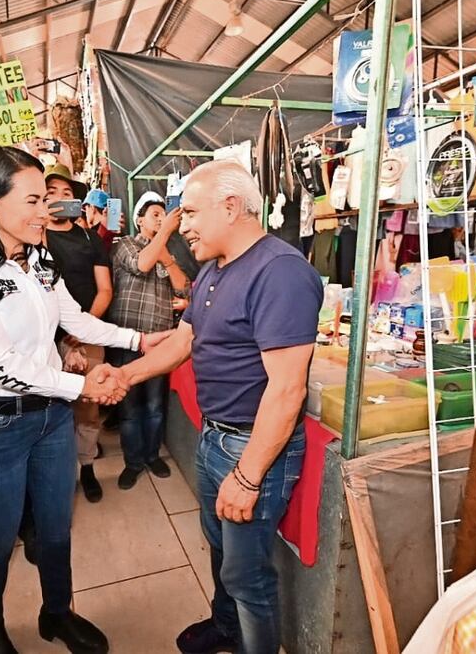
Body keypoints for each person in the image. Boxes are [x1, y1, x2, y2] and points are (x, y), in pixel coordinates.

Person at [0, 146, 171, 654]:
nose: (48, 212)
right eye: (35, 200)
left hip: (51, 420)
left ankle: (56, 613)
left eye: (48, 200)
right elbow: (1, 365)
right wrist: (85, 386)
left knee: (56, 528)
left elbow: (76, 320)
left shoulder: (39, 256)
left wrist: (137, 340)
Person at [103, 160, 323, 654]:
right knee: (221, 548)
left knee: (247, 575)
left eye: (191, 212)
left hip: (253, 446)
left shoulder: (281, 272)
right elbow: (184, 342)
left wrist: (247, 477)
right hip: (214, 436)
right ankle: (226, 629)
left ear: (231, 207)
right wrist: (124, 374)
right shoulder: (213, 271)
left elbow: (287, 391)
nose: (182, 225)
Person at [109, 191, 190, 489]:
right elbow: (142, 264)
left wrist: (168, 258)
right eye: (153, 215)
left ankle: (152, 455)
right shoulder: (126, 245)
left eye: (162, 214)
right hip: (129, 340)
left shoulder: (168, 252)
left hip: (161, 345)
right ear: (139, 220)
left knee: (155, 406)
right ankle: (133, 462)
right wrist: (166, 231)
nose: (160, 218)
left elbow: (183, 288)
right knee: (129, 409)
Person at [45, 173, 114, 503]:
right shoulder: (33, 238)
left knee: (88, 406)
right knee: (53, 408)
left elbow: (105, 289)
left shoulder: (90, 240)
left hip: (86, 334)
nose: (59, 196)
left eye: (66, 192)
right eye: (51, 191)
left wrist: (82, 329)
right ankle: (58, 475)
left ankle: (87, 468)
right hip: (43, 339)